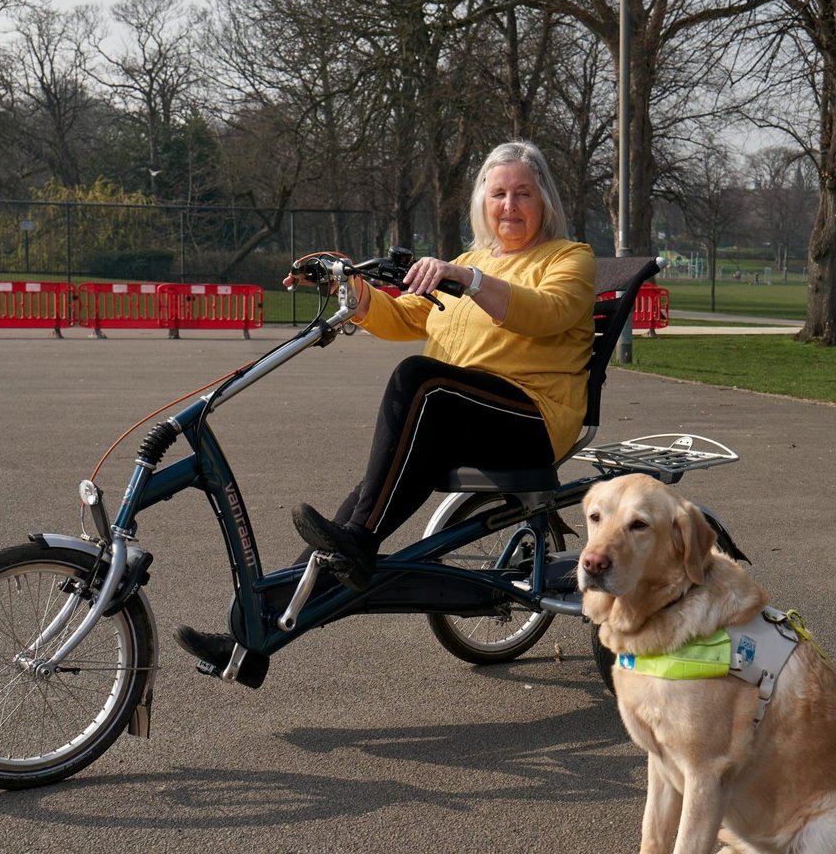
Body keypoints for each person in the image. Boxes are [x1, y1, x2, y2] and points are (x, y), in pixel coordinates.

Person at [177, 141, 597, 671]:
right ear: (482, 203)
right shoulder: (470, 261)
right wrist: (346, 283)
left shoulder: (569, 258)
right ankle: (251, 637)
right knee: (362, 505)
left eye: (522, 194)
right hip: (458, 415)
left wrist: (471, 280)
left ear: (545, 202)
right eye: (498, 194)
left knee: (419, 382)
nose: (509, 206)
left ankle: (354, 546)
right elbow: (404, 317)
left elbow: (544, 313)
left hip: (530, 418)